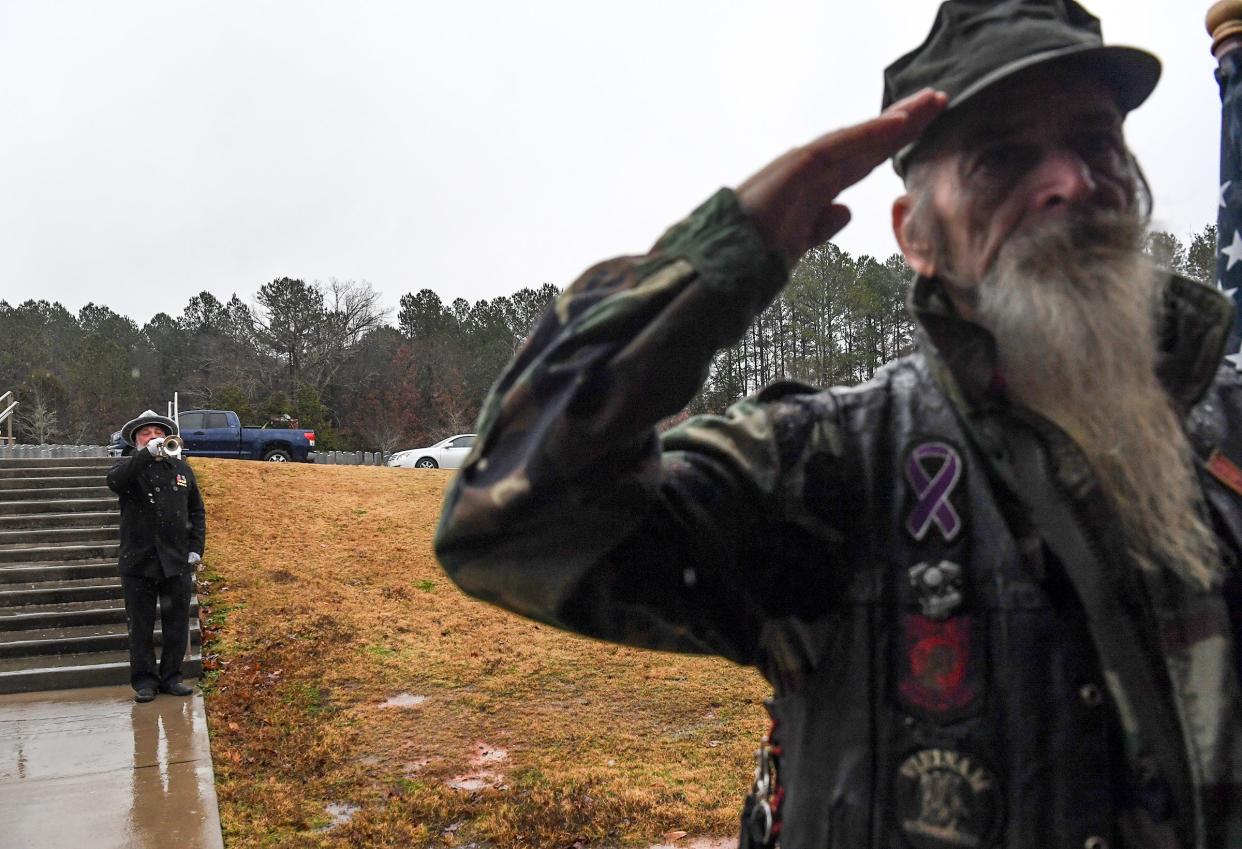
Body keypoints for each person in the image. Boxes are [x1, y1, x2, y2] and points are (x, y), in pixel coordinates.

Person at [436, 1, 1242, 846]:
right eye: (1001, 157)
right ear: (915, 236)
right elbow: (510, 524)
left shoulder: (1228, 427)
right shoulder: (832, 463)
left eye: (1095, 140)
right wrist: (720, 259)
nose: (1072, 181)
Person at [107, 409, 206, 703]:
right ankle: (145, 681)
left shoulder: (181, 469)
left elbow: (196, 511)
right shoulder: (130, 468)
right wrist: (145, 456)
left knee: (176, 624)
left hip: (175, 561)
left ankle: (172, 677)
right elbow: (115, 482)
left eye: (158, 433)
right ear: (137, 441)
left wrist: (195, 548)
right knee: (141, 626)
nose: (154, 437)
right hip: (138, 562)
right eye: (146, 434)